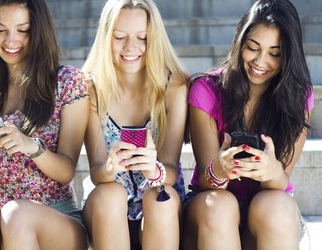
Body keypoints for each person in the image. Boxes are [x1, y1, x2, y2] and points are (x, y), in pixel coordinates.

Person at [182, 0, 314, 249]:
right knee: (221, 206)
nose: (261, 62)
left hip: (263, 213)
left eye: (275, 53)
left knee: (277, 206)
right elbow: (204, 180)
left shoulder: (298, 97)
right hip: (210, 207)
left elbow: (281, 181)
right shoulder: (207, 90)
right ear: (240, 42)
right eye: (253, 48)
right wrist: (221, 169)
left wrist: (271, 170)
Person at [0, 0, 89, 249]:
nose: (11, 41)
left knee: (17, 214)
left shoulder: (67, 82)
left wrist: (31, 146)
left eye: (22, 30)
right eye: (0, 30)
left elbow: (66, 170)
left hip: (57, 217)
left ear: (38, 30)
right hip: (1, 208)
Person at [81, 0, 189, 249]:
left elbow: (170, 169)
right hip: (107, 210)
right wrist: (111, 166)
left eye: (142, 37)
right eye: (120, 37)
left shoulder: (174, 87)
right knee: (111, 194)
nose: (131, 47)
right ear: (106, 37)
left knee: (160, 197)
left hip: (161, 205)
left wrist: (153, 169)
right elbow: (97, 172)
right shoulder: (90, 89)